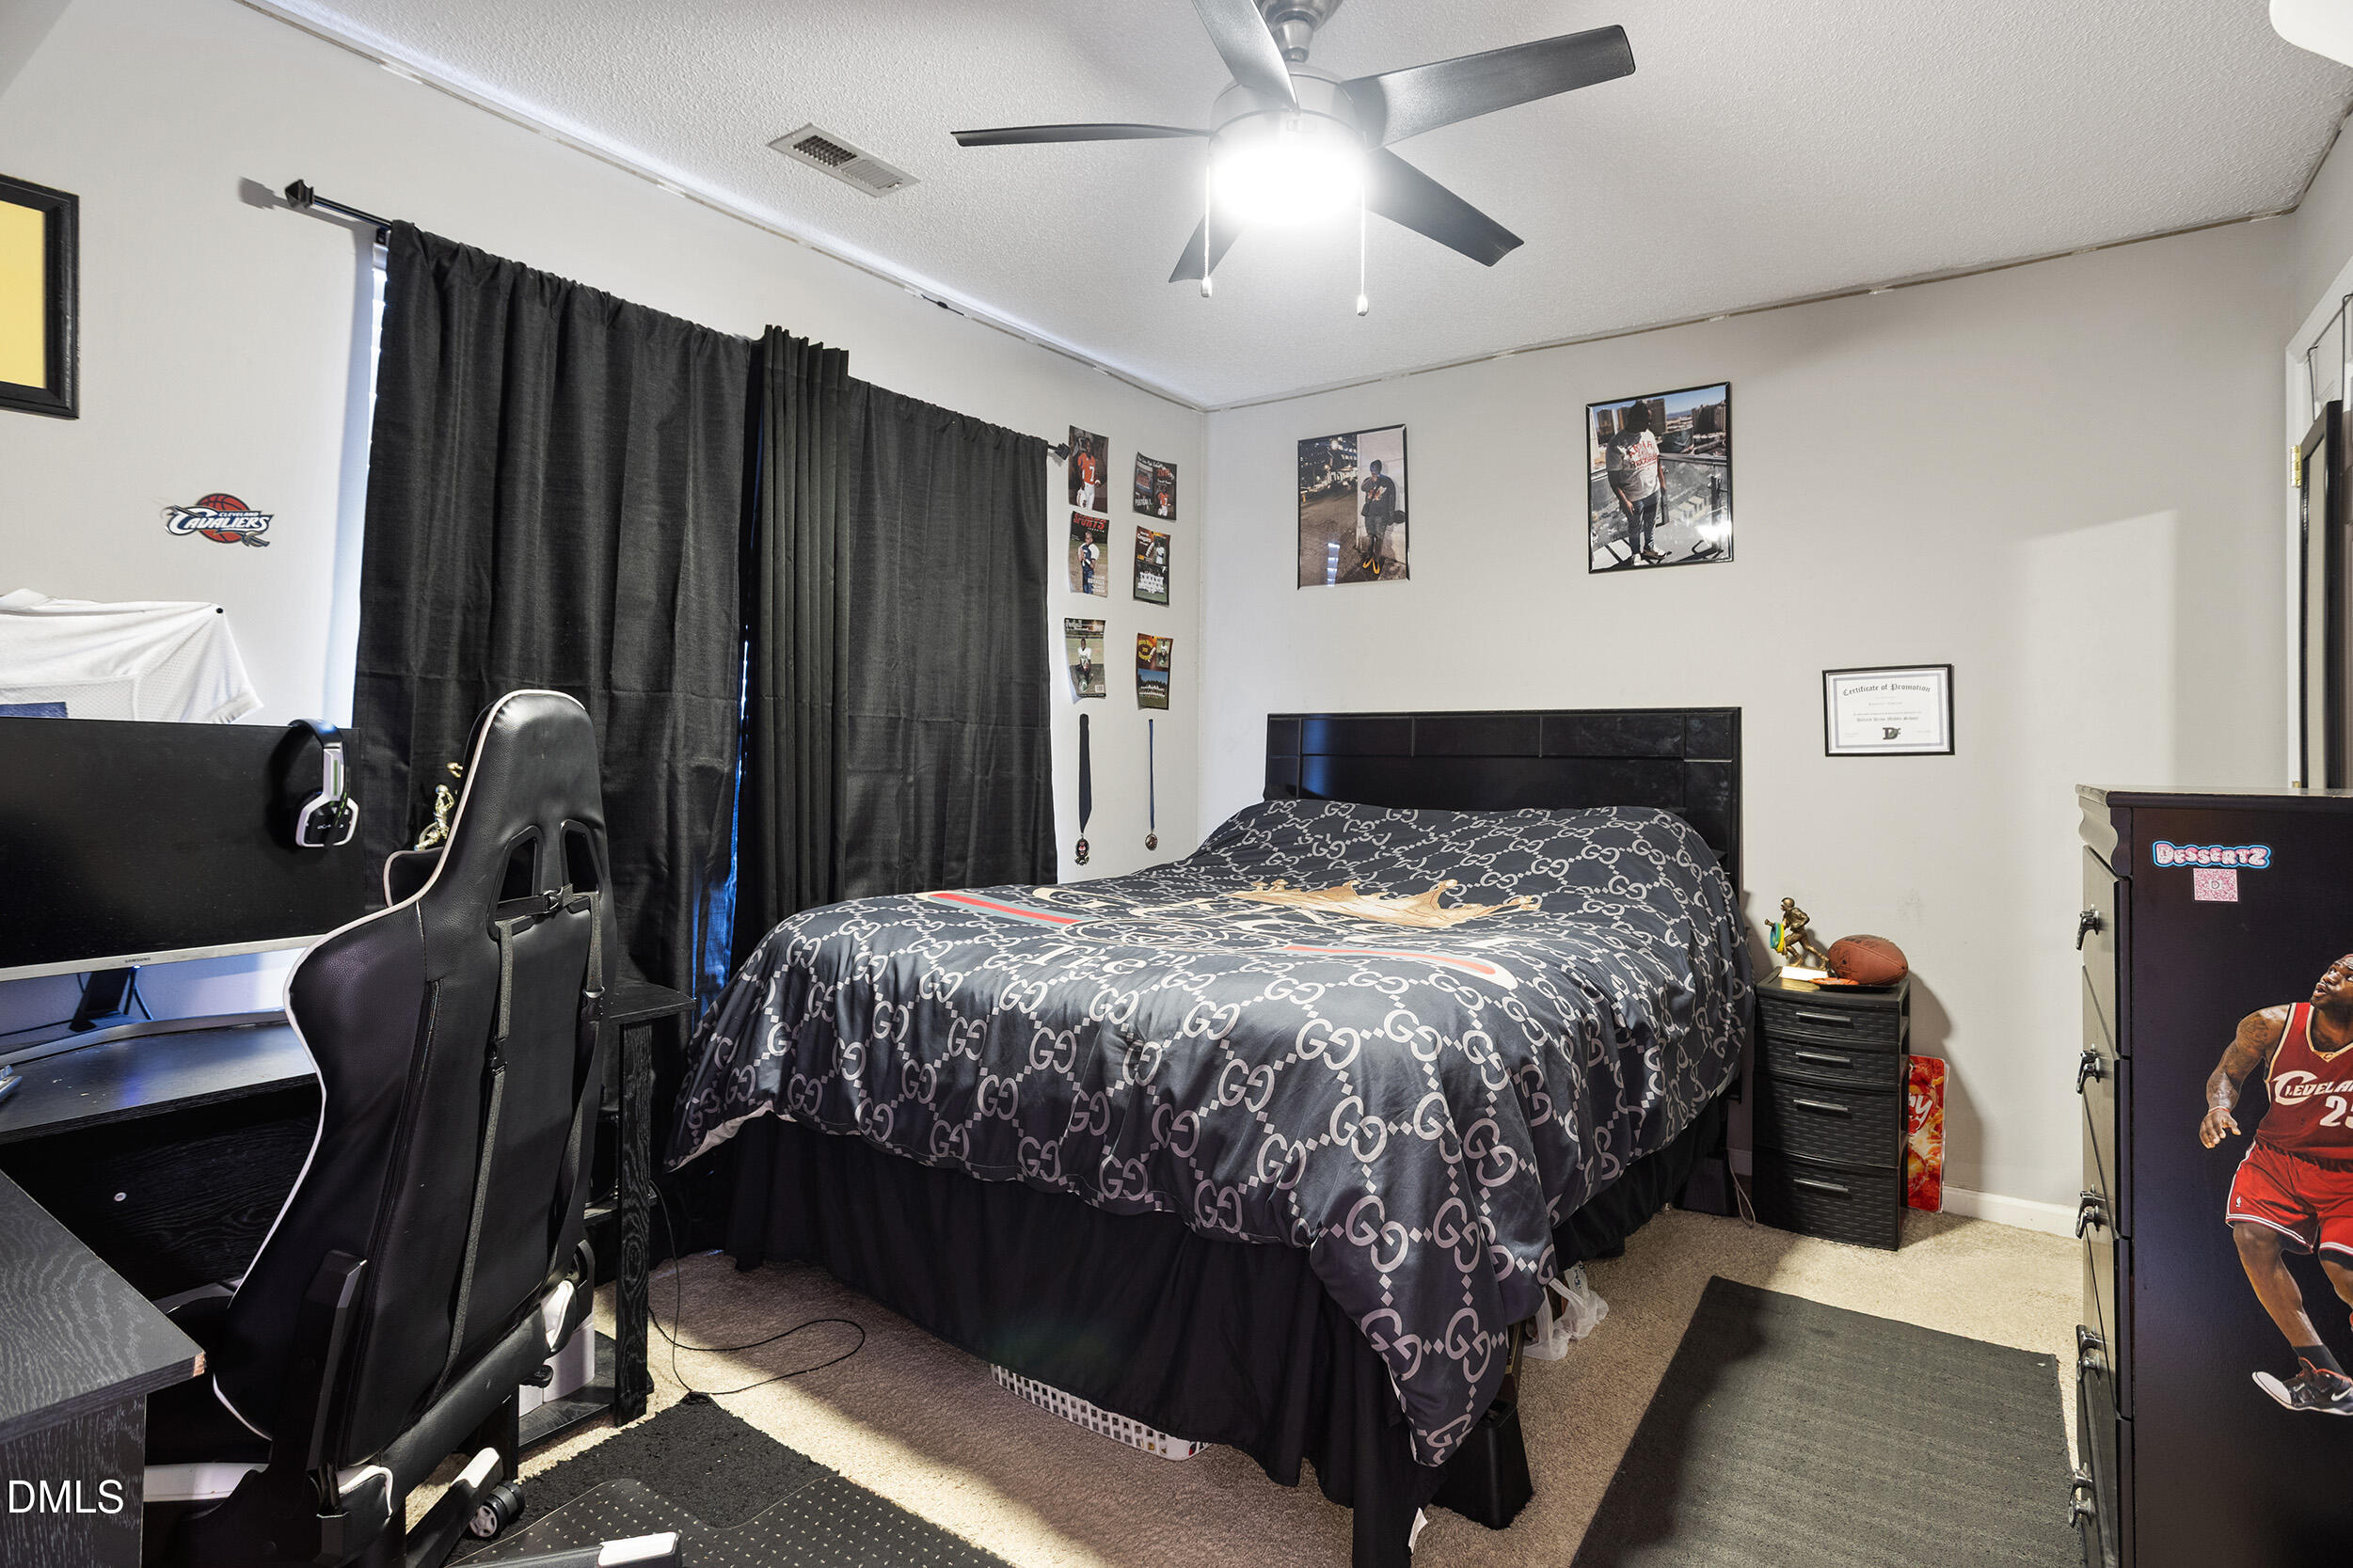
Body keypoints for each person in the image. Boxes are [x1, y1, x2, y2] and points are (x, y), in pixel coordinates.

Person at [2200, 953, 2353, 1415]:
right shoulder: (2270, 1024)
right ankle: (2324, 1374)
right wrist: (2219, 1108)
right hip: (2278, 1158)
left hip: (2346, 1172)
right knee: (2252, 1235)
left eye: (2348, 976)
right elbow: (2229, 1071)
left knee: (2343, 1272)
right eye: (2333, 967)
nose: (2331, 975)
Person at [1605, 403, 1666, 563]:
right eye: (1646, 420)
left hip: (1653, 491)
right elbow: (1613, 479)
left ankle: (1649, 548)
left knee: (1651, 522)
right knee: (1634, 527)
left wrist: (1662, 482)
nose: (1649, 424)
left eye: (1650, 420)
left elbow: (1657, 459)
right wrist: (1624, 501)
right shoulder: (1616, 444)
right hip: (1634, 497)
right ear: (1634, 419)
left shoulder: (1649, 435)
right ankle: (1635, 553)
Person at [1359, 458, 1399, 578]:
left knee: (1379, 539)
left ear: (1379, 468)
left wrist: (1391, 516)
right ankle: (1369, 557)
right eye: (1372, 469)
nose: (1373, 471)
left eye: (1375, 468)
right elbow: (1363, 488)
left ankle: (1376, 560)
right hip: (1369, 515)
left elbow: (1392, 500)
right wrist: (1372, 480)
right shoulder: (1368, 481)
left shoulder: (1388, 481)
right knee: (1370, 537)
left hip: (1382, 516)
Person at [1073, 444, 1100, 511]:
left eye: (1090, 446)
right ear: (1084, 447)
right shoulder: (1082, 457)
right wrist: (1082, 481)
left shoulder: (1093, 459)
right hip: (1085, 485)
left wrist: (1097, 480)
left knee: (1090, 509)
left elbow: (1094, 472)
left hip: (1092, 487)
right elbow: (1078, 471)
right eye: (1087, 446)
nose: (1088, 448)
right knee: (1082, 507)